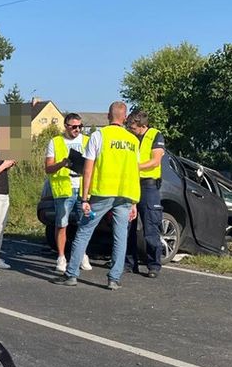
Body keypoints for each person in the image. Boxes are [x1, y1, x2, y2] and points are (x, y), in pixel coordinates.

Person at [55, 101, 139, 290]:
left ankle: (71, 274)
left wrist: (85, 198)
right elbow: (135, 171)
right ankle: (114, 278)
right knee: (120, 236)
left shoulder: (99, 135)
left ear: (109, 116)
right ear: (125, 118)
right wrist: (134, 202)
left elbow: (88, 167)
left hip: (102, 192)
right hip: (125, 194)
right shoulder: (133, 141)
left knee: (84, 231)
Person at [44, 113, 92, 274]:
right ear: (66, 126)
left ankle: (82, 254)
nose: (77, 129)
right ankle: (61, 256)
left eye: (80, 126)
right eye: (73, 127)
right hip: (64, 188)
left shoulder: (87, 141)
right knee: (62, 223)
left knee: (83, 223)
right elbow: (48, 168)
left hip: (83, 187)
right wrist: (62, 163)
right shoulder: (55, 142)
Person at [125, 110, 166, 277]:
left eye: (133, 127)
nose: (130, 130)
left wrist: (134, 167)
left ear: (142, 125)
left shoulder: (155, 135)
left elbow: (155, 160)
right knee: (128, 226)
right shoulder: (129, 137)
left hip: (148, 185)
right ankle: (129, 263)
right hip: (131, 183)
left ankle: (153, 265)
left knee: (151, 225)